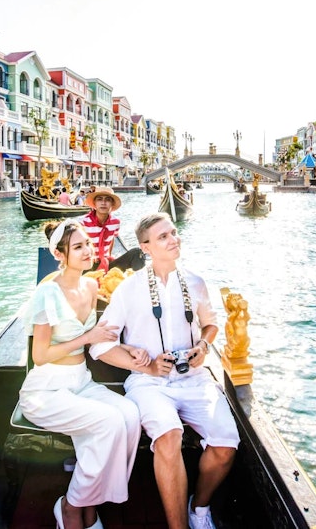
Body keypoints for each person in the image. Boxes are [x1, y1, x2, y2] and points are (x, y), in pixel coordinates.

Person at [90, 213, 239, 529]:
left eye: (173, 233)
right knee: (169, 435)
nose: (174, 239)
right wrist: (145, 364)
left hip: (194, 378)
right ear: (145, 247)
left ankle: (198, 508)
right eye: (163, 237)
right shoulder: (129, 289)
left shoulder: (195, 282)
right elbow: (100, 346)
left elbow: (211, 324)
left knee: (226, 445)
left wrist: (202, 346)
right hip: (149, 383)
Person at [19, 220, 147, 529]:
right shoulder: (48, 292)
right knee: (110, 422)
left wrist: (132, 350)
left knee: (130, 416)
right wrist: (86, 338)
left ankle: (91, 500)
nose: (87, 250)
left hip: (81, 381)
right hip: (46, 390)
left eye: (88, 244)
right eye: (78, 247)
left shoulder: (92, 286)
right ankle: (71, 506)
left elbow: (109, 328)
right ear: (60, 255)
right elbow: (40, 355)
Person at [80, 186, 145, 272]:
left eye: (107, 200)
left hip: (106, 263)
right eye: (99, 199)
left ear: (112, 204)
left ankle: (141, 282)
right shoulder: (83, 223)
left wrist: (107, 256)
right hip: (88, 265)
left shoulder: (115, 223)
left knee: (137, 253)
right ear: (95, 203)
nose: (103, 203)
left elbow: (111, 240)